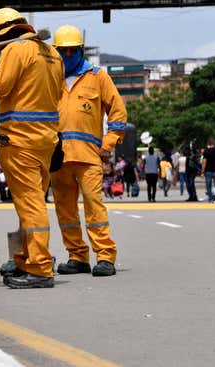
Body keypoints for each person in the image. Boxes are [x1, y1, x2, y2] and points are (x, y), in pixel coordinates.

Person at [0, 7, 64, 289]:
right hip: (45, 141)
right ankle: (27, 259)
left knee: (30, 205)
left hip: (21, 140)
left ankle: (40, 268)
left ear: (0, 34)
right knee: (32, 204)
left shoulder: (16, 51)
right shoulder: (53, 54)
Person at [49, 24, 127, 277]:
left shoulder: (98, 76)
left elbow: (117, 111)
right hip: (58, 157)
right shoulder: (48, 78)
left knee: (94, 206)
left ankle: (105, 256)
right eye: (64, 51)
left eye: (73, 51)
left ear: (81, 50)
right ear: (55, 51)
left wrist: (108, 144)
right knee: (65, 209)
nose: (68, 55)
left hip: (89, 156)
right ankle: (77, 256)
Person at [201, 138, 215, 203]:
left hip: (208, 171)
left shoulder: (206, 151)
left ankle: (210, 199)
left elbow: (204, 162)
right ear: (214, 143)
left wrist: (202, 171)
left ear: (208, 144)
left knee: (208, 185)